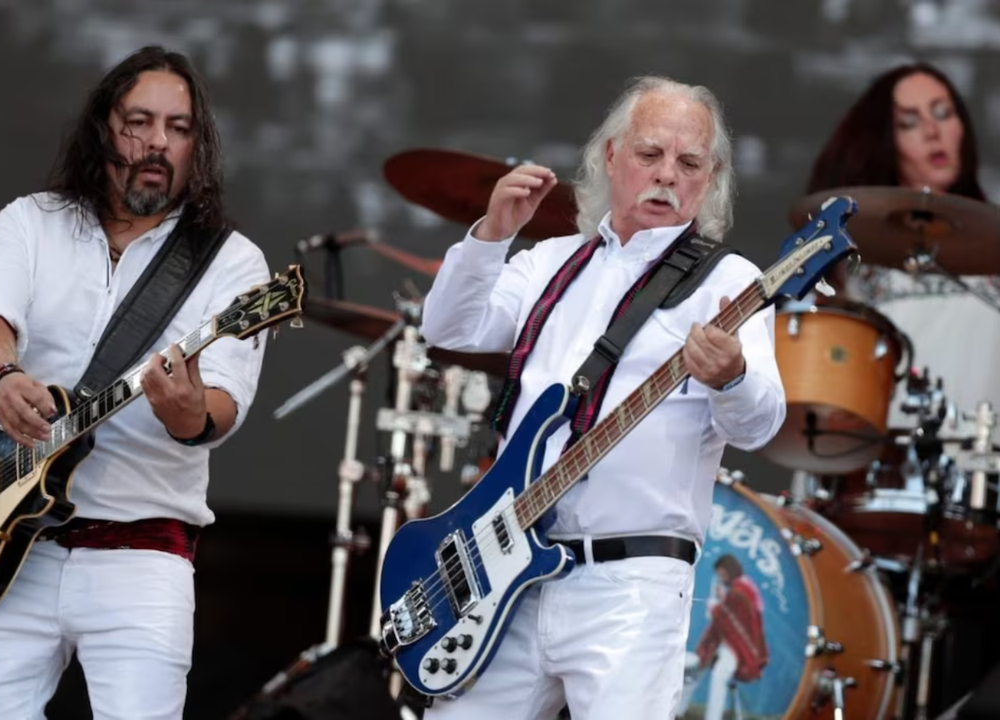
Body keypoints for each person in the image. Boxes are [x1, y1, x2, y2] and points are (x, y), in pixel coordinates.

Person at [419, 76, 786, 720]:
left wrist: (732, 376)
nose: (667, 174)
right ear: (611, 156)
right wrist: (492, 235)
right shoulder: (548, 263)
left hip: (631, 584)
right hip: (508, 571)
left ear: (710, 179)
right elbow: (449, 328)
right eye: (650, 154)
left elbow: (759, 424)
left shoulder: (730, 283)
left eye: (689, 162)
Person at [0, 46, 269, 718]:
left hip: (142, 557)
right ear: (103, 128)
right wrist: (2, 377)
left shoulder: (233, 263)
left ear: (197, 146)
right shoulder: (31, 221)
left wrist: (186, 410)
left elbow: (222, 407)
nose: (157, 142)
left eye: (178, 128)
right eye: (139, 122)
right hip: (9, 550)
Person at [807, 62, 996, 421]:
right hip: (884, 447)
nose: (932, 131)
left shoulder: (994, 244)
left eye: (943, 114)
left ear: (962, 128)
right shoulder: (855, 251)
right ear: (887, 142)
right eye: (909, 122)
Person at [677, 554, 768, 720]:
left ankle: (712, 717)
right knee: (695, 670)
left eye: (723, 574)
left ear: (730, 570)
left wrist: (715, 608)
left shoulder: (741, 590)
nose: (721, 578)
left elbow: (730, 617)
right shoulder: (736, 588)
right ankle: (678, 711)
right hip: (723, 641)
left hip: (735, 646)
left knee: (719, 677)